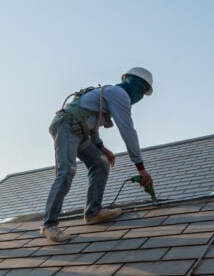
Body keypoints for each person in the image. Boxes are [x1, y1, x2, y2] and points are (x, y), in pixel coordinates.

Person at [41, 67, 154, 243]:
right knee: (66, 172)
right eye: (142, 91)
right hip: (67, 126)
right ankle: (49, 225)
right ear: (138, 86)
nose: (140, 96)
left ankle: (93, 212)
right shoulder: (119, 94)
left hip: (78, 129)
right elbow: (128, 131)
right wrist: (140, 168)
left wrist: (101, 148)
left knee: (100, 163)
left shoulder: (110, 93)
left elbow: (90, 121)